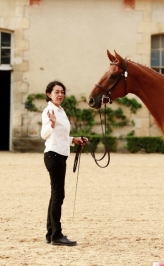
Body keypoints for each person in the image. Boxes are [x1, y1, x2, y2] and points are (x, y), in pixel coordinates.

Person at [41, 81, 88, 246]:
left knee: (55, 195)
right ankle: (56, 235)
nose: (60, 94)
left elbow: (60, 136)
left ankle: (50, 233)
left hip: (60, 155)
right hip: (53, 155)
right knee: (58, 195)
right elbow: (45, 134)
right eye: (56, 92)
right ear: (49, 94)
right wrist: (51, 125)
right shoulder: (50, 110)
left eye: (62, 92)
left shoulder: (60, 111)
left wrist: (74, 140)